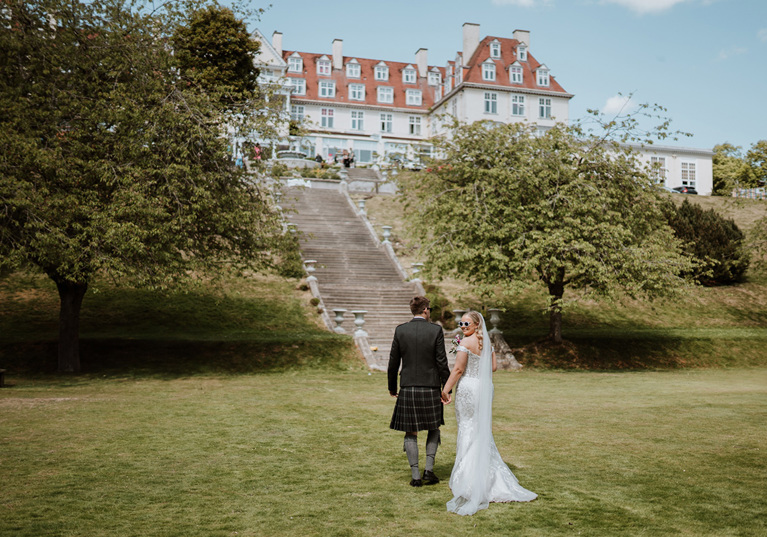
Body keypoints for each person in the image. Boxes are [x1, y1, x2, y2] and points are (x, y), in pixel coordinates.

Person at [441, 311, 537, 515]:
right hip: (483, 389)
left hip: (468, 388)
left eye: (466, 322)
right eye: (461, 322)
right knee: (479, 429)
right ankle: (488, 477)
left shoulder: (466, 343)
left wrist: (446, 389)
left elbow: (458, 369)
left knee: (467, 428)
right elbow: (492, 367)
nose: (463, 325)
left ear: (476, 324)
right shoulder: (486, 343)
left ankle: (468, 479)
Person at [388, 296, 451, 487]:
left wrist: (392, 387)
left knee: (411, 430)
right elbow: (442, 362)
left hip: (408, 387)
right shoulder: (435, 330)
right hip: (431, 387)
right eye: (429, 309)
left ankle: (415, 476)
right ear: (425, 310)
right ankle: (428, 471)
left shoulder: (401, 330)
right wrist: (446, 388)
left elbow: (393, 362)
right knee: (433, 427)